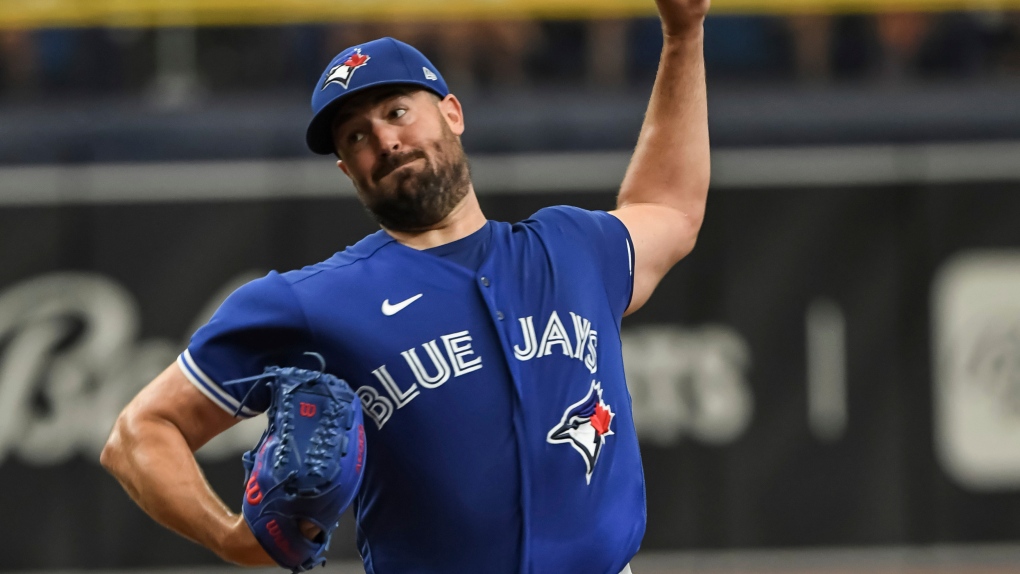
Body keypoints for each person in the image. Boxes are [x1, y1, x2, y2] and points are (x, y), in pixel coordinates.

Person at [99, 0, 711, 572]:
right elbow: (138, 435)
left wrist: (683, 37)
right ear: (346, 169)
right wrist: (232, 537)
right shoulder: (312, 302)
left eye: (396, 112)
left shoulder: (570, 249)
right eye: (356, 136)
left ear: (452, 113)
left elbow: (669, 208)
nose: (385, 141)